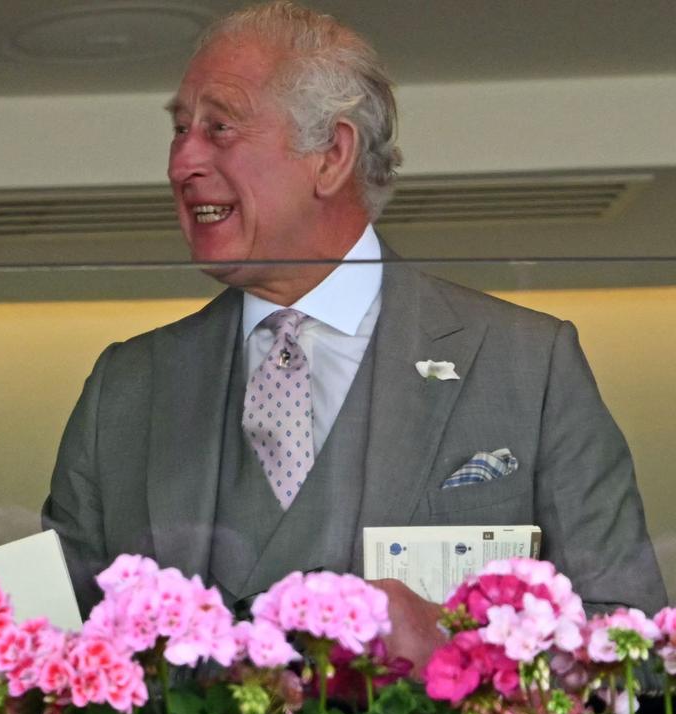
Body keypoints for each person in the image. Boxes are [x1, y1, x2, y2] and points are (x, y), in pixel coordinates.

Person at [42, 0, 665, 675]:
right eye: (180, 129)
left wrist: (458, 651)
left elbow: (632, 656)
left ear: (332, 155)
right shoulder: (127, 388)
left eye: (219, 128)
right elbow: (53, 659)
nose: (181, 162)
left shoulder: (528, 366)